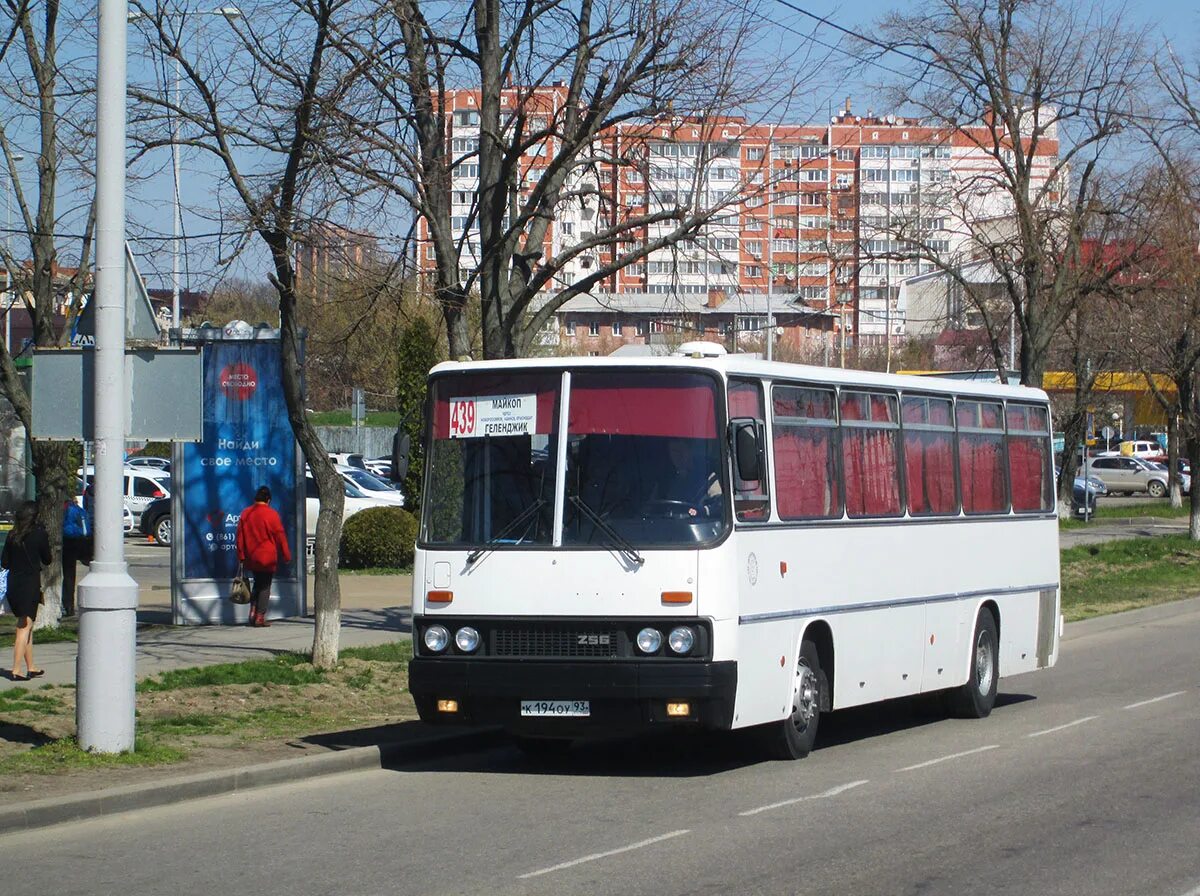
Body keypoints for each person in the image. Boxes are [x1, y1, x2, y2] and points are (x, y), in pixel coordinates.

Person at [1, 501, 51, 680]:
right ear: (35, 516)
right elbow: (47, 560)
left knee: (27, 625)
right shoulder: (39, 535)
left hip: (14, 582)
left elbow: (4, 562)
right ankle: (16, 670)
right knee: (23, 627)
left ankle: (31, 667)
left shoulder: (12, 535)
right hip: (30, 584)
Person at [235, 486, 291, 627]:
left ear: (256, 499)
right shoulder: (271, 514)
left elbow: (239, 537)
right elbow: (280, 536)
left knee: (257, 584)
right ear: (269, 500)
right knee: (265, 586)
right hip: (267, 557)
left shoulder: (246, 513)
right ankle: (260, 616)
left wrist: (241, 554)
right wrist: (286, 555)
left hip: (251, 556)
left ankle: (252, 612)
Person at [61, 498, 92, 617]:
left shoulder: (66, 510)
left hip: (67, 542)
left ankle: (65, 604)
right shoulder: (79, 510)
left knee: (65, 574)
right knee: (70, 575)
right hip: (79, 542)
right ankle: (69, 606)